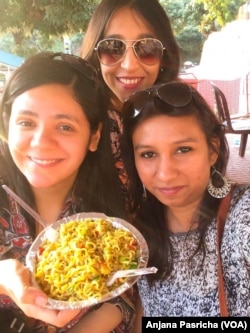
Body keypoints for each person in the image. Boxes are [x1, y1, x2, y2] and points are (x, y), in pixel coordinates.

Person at [0, 52, 134, 333]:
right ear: (6, 124)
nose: (41, 143)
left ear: (94, 136)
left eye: (64, 126)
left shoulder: (115, 199)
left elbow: (127, 290)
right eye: (26, 122)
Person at [121, 81, 250, 326]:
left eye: (183, 149)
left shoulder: (241, 216)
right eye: (148, 154)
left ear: (212, 149)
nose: (166, 173)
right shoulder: (137, 230)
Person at [80, 0, 181, 194]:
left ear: (164, 55)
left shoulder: (181, 111)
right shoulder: (79, 121)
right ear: (96, 55)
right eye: (112, 47)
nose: (129, 66)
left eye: (147, 48)